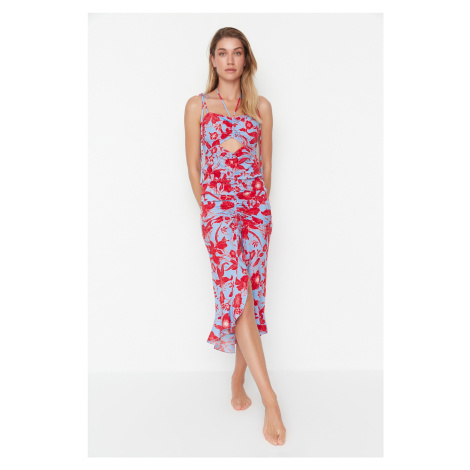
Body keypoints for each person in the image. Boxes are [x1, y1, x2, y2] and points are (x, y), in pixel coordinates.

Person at [184, 27, 286, 446]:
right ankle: (271, 400)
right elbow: (194, 166)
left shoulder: (260, 107)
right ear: (212, 60)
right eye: (222, 53)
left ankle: (238, 378)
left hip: (255, 212)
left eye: (237, 52)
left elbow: (266, 165)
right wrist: (210, 211)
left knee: (251, 297)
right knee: (237, 291)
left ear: (246, 59)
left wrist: (259, 205)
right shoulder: (197, 105)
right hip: (218, 213)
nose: (230, 60)